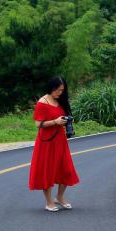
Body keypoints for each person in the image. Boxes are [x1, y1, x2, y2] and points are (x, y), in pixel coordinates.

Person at [29, 76, 80, 212]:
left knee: (66, 169)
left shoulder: (61, 100)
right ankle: (49, 202)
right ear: (51, 88)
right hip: (46, 142)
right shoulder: (42, 102)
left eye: (62, 90)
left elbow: (63, 116)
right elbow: (38, 124)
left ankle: (60, 197)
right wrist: (55, 122)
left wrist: (68, 121)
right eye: (58, 90)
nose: (60, 93)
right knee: (48, 170)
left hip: (60, 140)